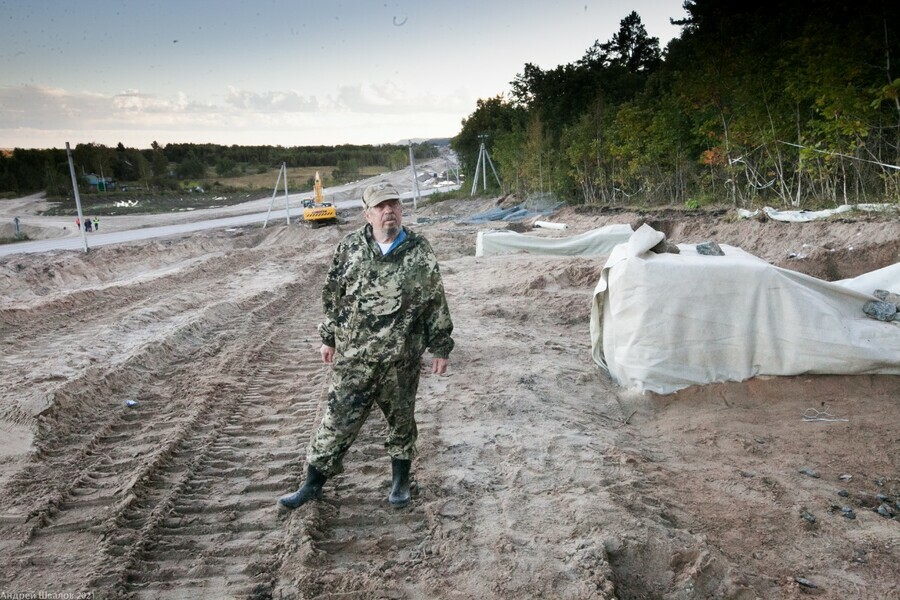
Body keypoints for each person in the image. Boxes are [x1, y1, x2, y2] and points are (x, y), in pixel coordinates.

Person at [279, 182, 454, 510]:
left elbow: (435, 299)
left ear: (401, 209)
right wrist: (328, 338)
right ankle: (311, 485)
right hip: (355, 358)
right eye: (380, 206)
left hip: (400, 360)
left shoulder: (419, 250)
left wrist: (440, 346)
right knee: (336, 422)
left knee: (402, 423)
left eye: (394, 204)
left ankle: (400, 483)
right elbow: (333, 297)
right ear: (367, 214)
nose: (388, 211)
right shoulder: (350, 247)